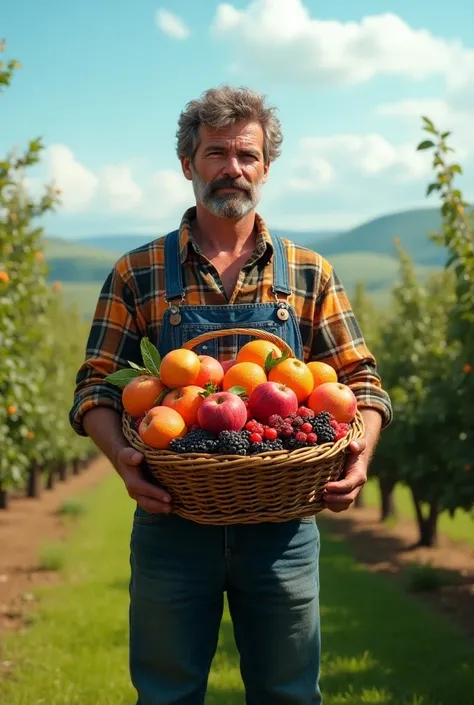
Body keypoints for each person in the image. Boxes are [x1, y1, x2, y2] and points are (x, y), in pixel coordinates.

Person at [69, 85, 392, 705]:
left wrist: (361, 453)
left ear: (266, 168)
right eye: (216, 152)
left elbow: (362, 382)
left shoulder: (307, 271)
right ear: (188, 164)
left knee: (289, 694)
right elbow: (94, 388)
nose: (232, 167)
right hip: (173, 520)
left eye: (247, 155)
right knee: (166, 694)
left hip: (283, 526)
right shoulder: (138, 272)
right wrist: (124, 460)